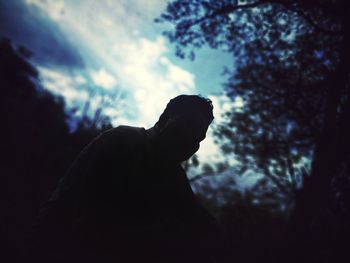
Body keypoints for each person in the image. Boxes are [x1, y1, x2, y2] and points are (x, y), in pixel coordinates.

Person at [32, 95, 218, 263]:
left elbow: (201, 224)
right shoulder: (123, 141)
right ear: (164, 119)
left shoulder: (174, 176)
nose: (192, 140)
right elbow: (90, 225)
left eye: (199, 137)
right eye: (188, 126)